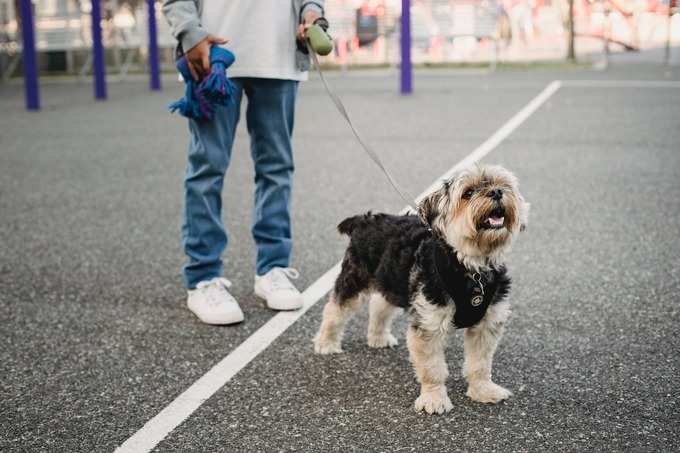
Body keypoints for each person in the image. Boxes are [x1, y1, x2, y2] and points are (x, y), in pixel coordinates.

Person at [162, 0, 326, 325]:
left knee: (276, 168)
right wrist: (188, 33)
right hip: (210, 56)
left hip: (278, 56)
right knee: (207, 168)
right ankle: (202, 278)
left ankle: (272, 268)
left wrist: (311, 11)